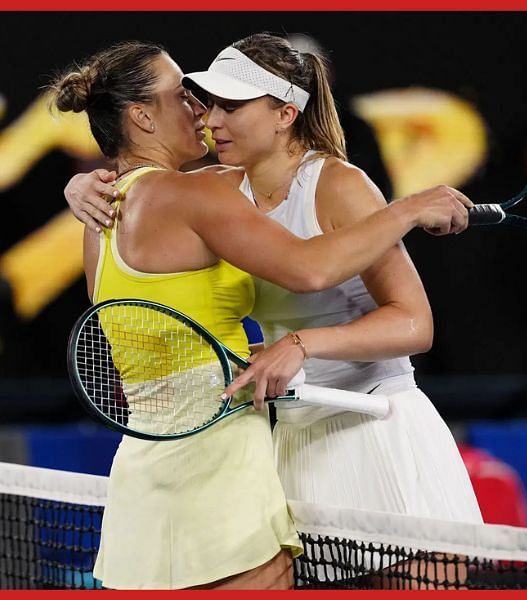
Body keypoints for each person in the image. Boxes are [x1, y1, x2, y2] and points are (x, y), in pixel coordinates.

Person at [64, 34, 482, 585]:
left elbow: (415, 323)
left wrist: (301, 345)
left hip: (377, 426)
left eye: (229, 107)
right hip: (290, 438)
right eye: (205, 101)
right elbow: (302, 270)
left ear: (285, 113)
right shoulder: (211, 191)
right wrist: (79, 187)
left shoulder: (338, 184)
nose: (208, 117)